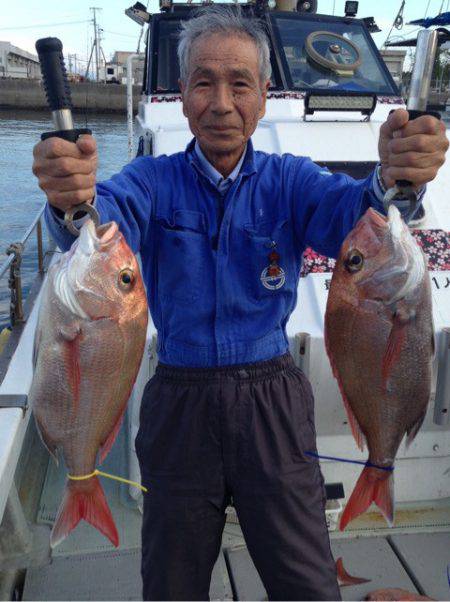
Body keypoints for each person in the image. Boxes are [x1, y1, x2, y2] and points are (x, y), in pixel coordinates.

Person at [32, 7, 448, 601]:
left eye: (240, 84)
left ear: (262, 97)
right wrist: (71, 198)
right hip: (179, 403)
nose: (221, 102)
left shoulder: (292, 180)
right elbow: (101, 217)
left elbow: (358, 218)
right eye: (204, 82)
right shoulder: (152, 181)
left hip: (272, 401)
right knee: (172, 584)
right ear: (182, 97)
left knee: (305, 583)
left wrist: (396, 178)